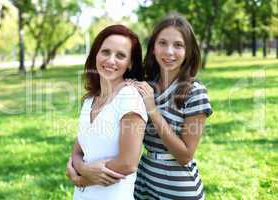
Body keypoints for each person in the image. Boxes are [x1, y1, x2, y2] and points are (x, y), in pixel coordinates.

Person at [129, 13, 213, 200]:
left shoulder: (195, 92)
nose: (169, 52)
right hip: (144, 181)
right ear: (153, 48)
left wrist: (153, 110)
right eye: (162, 43)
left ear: (188, 51)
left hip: (178, 188)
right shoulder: (147, 86)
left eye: (178, 45)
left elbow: (185, 155)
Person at [66, 24, 148, 200]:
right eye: (105, 52)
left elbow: (128, 163)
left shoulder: (129, 98)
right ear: (96, 54)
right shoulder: (90, 100)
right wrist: (81, 168)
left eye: (120, 55)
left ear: (130, 63)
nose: (111, 60)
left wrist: (81, 179)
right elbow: (78, 150)